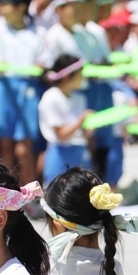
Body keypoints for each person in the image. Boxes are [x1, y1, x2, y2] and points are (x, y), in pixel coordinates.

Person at [0, 0, 45, 184]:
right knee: (4, 146)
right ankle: (6, 196)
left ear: (21, 7)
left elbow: (42, 63)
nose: (1, 10)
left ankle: (30, 199)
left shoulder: (37, 32)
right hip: (3, 87)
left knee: (23, 147)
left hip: (28, 88)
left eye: (6, 6)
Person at [37, 54, 92, 186]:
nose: (83, 77)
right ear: (68, 76)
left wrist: (91, 126)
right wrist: (81, 121)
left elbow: (84, 134)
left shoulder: (80, 98)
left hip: (80, 151)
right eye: (80, 73)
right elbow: (61, 135)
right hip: (59, 154)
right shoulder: (51, 97)